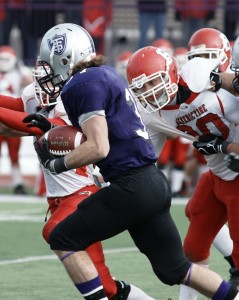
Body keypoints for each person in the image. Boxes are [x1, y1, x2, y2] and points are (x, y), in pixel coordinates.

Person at [30, 23, 239, 300]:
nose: (46, 69)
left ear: (65, 58)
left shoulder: (80, 84)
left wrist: (57, 163)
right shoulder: (108, 77)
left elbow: (99, 146)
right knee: (173, 269)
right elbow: (109, 136)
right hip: (152, 184)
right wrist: (55, 129)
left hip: (135, 187)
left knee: (62, 238)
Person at [0, 53, 157, 300]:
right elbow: (12, 115)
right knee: (107, 286)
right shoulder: (37, 93)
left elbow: (38, 125)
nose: (42, 82)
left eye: (50, 74)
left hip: (82, 191)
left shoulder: (73, 98)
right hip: (58, 198)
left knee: (56, 231)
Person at [126, 46, 239, 298]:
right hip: (216, 174)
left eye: (153, 82)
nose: (149, 92)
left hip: (236, 175)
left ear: (172, 72)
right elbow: (145, 160)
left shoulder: (200, 74)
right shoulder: (151, 114)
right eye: (141, 88)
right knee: (192, 250)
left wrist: (225, 146)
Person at [0, 45, 32, 194]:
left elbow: (30, 79)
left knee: (14, 153)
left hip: (13, 118)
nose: (3, 62)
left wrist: (21, 68)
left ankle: (17, 183)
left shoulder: (20, 71)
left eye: (7, 59)